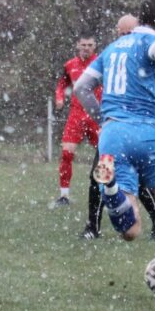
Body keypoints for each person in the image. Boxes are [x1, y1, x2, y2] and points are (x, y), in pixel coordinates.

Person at [73, 0, 155, 304]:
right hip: (149, 133)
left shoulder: (110, 49)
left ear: (139, 20)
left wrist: (103, 118)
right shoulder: (152, 41)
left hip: (112, 136)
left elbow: (80, 88)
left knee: (130, 230)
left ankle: (112, 191)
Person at [82, 15, 155, 241]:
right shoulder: (111, 54)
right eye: (121, 34)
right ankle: (93, 226)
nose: (125, 38)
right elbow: (83, 87)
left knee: (141, 179)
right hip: (114, 131)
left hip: (139, 130)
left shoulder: (146, 54)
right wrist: (103, 118)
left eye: (128, 34)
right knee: (99, 175)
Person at [53, 33, 100, 207]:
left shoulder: (101, 63)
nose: (86, 48)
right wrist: (59, 97)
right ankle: (64, 196)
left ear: (94, 46)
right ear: (78, 46)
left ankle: (110, 192)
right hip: (76, 114)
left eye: (90, 45)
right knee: (66, 153)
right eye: (83, 45)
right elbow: (62, 84)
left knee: (106, 155)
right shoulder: (70, 65)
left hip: (96, 115)